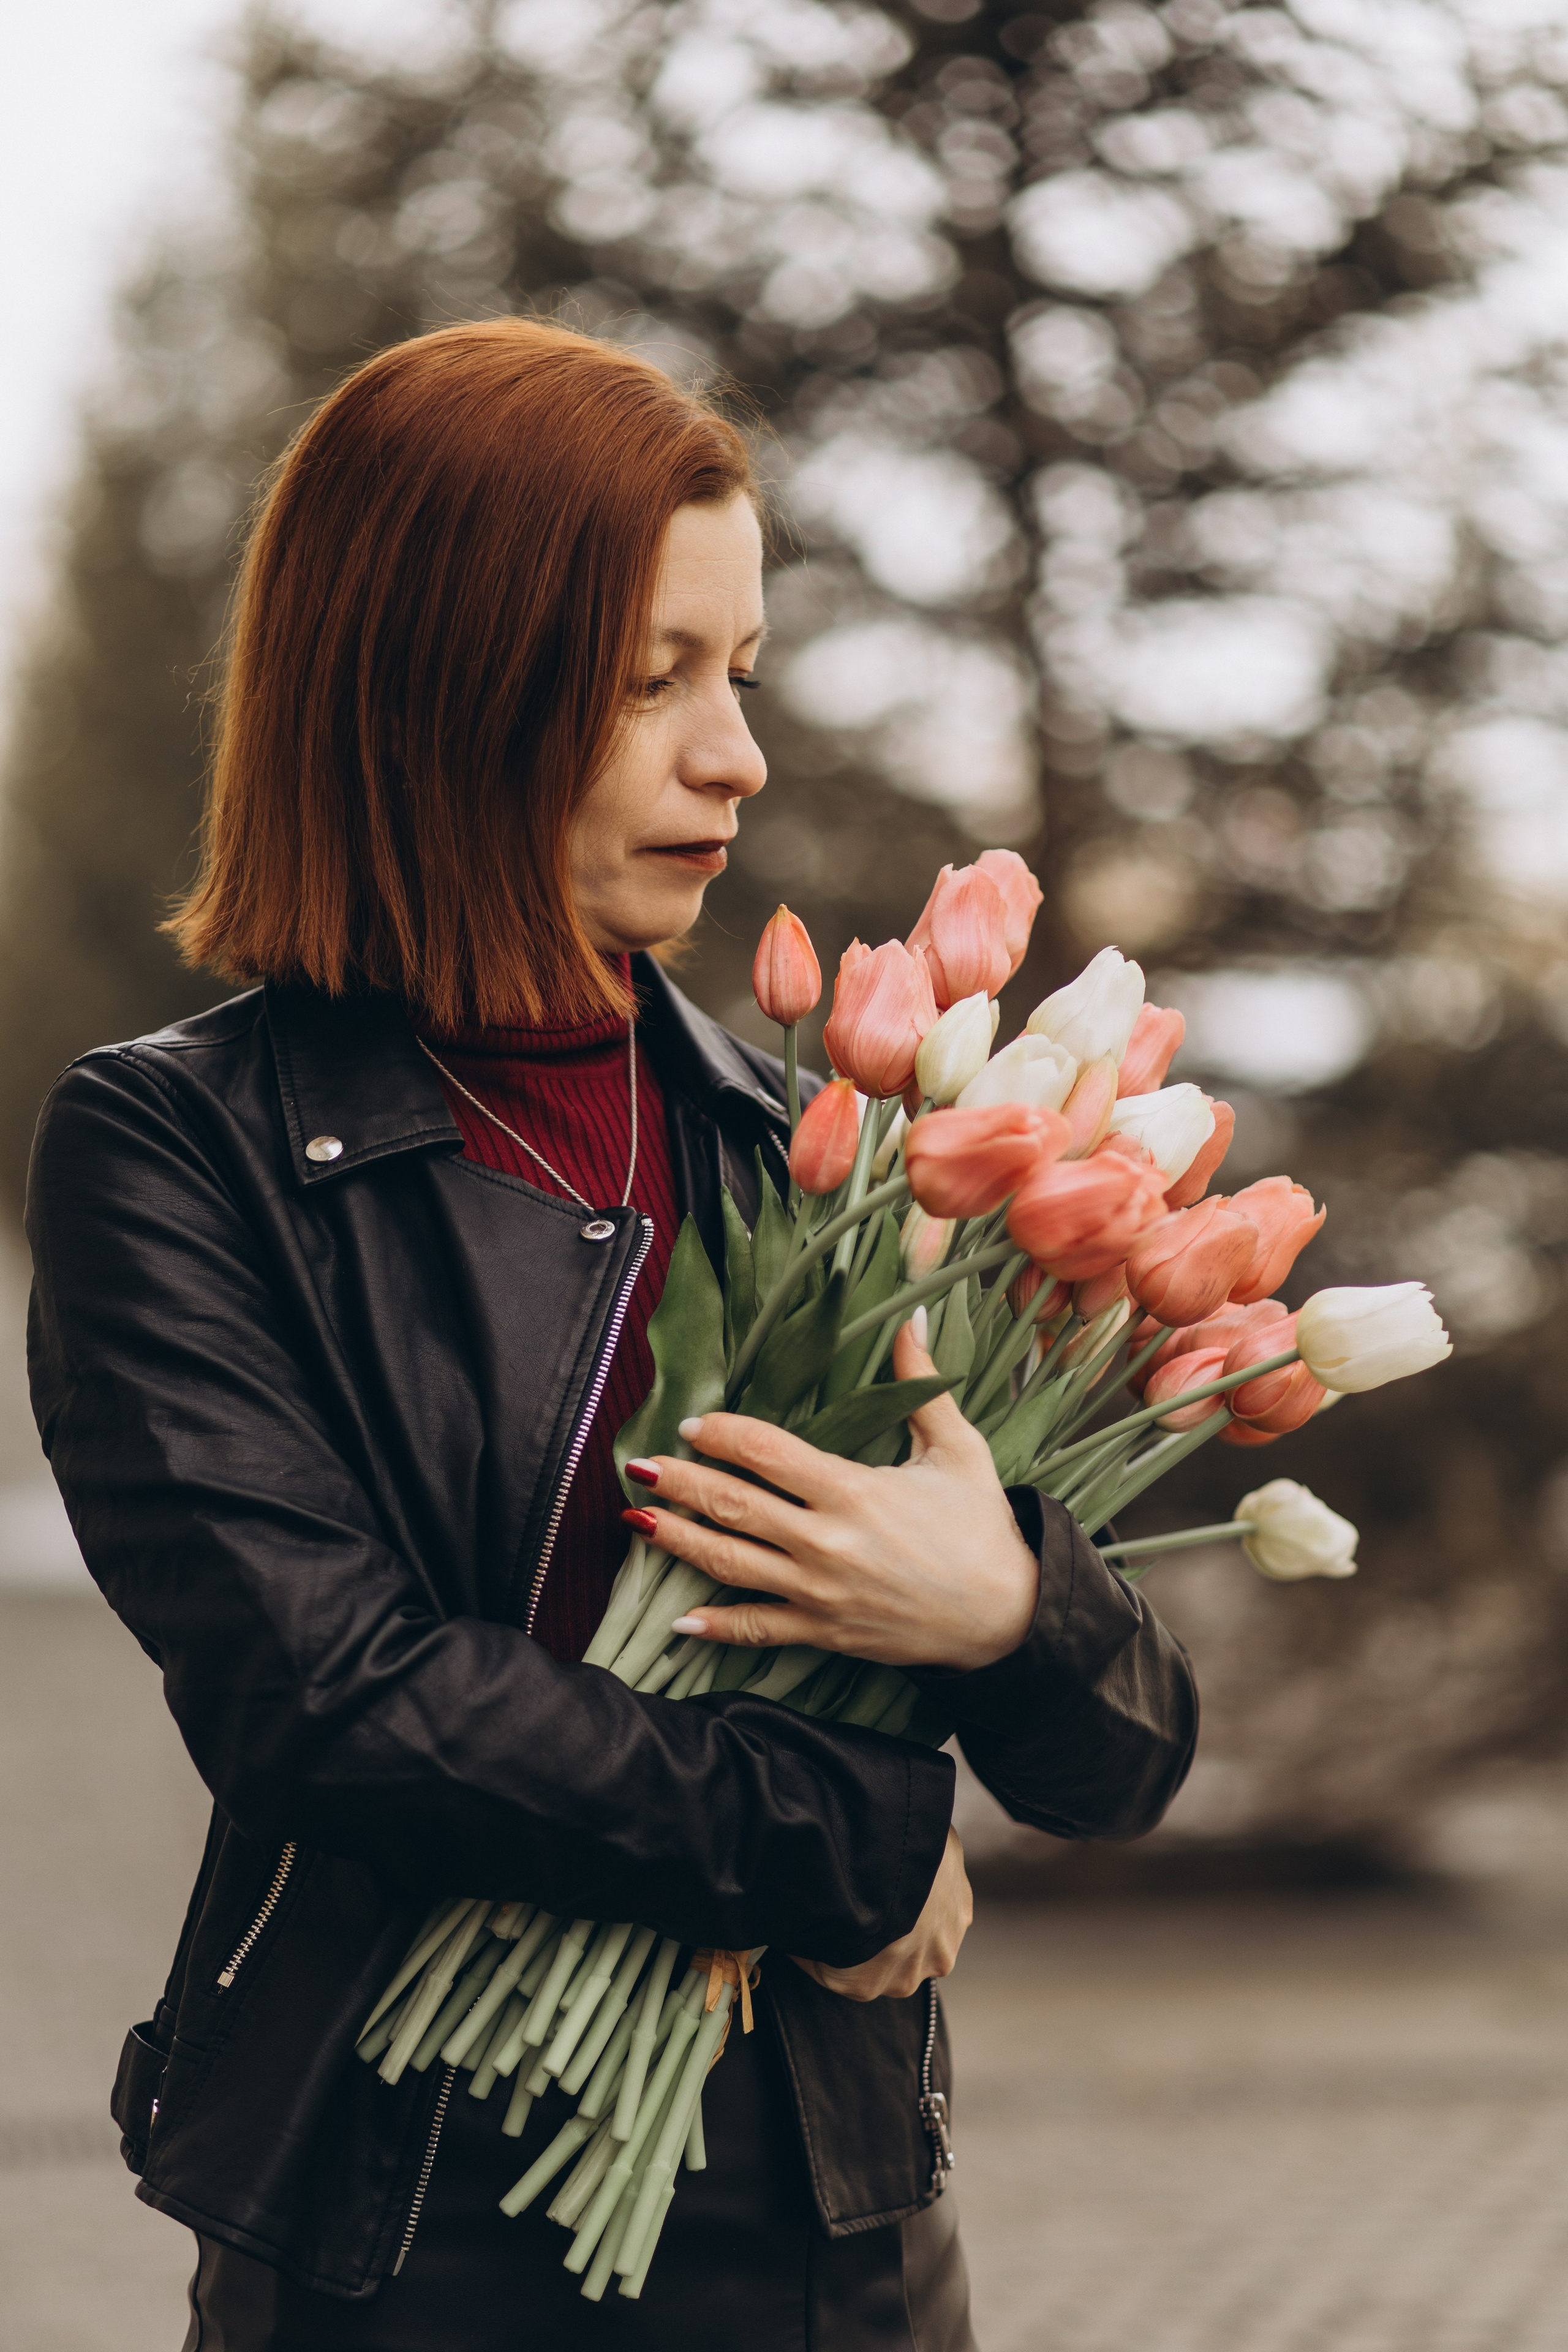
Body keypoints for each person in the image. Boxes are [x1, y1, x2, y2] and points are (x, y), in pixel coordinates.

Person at [25, 319, 1197, 2352]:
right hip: (404, 2238)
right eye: (650, 680)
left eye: (737, 675)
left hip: (843, 2244)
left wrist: (1010, 1605)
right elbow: (338, 1699)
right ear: (431, 683)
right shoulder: (181, 1151)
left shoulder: (807, 1150)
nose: (735, 753)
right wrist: (847, 1833)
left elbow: (1124, 1762)